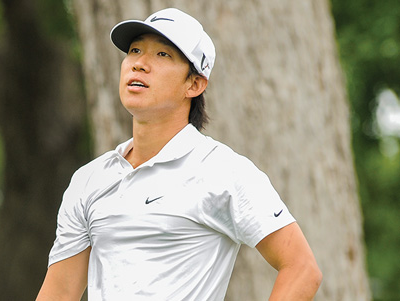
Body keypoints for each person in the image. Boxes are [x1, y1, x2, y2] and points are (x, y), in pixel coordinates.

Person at [36, 7, 322, 301]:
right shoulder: (89, 179)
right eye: (135, 50)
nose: (139, 64)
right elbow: (59, 292)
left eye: (163, 55)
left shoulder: (222, 170)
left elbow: (302, 269)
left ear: (194, 84)